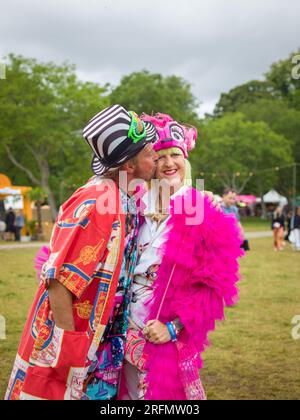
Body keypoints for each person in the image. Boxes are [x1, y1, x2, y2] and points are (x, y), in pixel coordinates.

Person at [5, 104, 159, 401]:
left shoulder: (121, 198)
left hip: (98, 343)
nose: (155, 158)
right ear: (128, 165)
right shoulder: (101, 200)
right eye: (150, 153)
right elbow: (60, 281)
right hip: (71, 346)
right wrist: (67, 350)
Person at [120, 113, 243, 400]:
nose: (168, 163)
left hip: (163, 332)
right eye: (159, 156)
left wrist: (173, 328)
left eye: (175, 154)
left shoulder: (204, 211)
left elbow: (215, 288)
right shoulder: (133, 203)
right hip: (122, 327)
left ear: (185, 160)